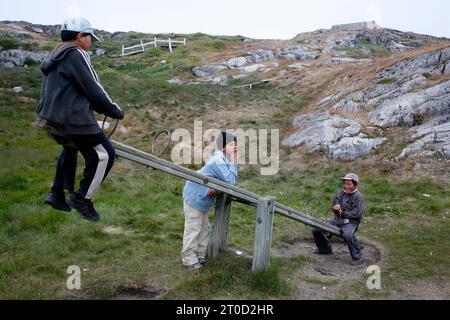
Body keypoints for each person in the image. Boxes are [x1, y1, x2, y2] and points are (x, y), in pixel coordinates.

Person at [36, 17, 124, 222]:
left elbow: (72, 89)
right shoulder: (76, 53)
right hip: (74, 120)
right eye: (89, 37)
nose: (91, 42)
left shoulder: (55, 54)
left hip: (52, 118)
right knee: (105, 155)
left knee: (70, 147)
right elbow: (93, 87)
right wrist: (115, 110)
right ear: (79, 36)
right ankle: (82, 198)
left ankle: (57, 193)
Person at [181, 132, 239, 270]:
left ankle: (198, 253)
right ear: (223, 147)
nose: (235, 148)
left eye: (236, 145)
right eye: (232, 145)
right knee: (193, 227)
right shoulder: (218, 160)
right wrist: (235, 161)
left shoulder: (224, 160)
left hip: (204, 199)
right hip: (195, 196)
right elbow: (230, 181)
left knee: (204, 228)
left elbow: (228, 179)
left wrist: (217, 187)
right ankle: (188, 257)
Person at [312, 173, 366, 266]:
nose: (346, 186)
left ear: (356, 185)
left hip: (351, 222)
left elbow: (357, 213)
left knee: (348, 235)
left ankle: (358, 256)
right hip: (338, 220)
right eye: (345, 183)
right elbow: (334, 203)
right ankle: (324, 249)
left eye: (349, 184)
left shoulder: (358, 197)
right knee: (316, 228)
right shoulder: (340, 193)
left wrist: (343, 212)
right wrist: (335, 207)